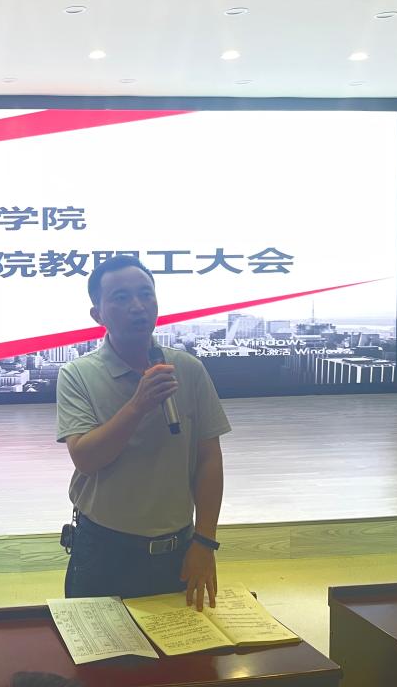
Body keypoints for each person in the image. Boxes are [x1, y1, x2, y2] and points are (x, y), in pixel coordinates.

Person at [57, 255, 230, 610]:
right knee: (101, 646)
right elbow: (86, 458)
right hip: (104, 551)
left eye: (145, 294)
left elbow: (209, 460)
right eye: (121, 297)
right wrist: (138, 405)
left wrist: (205, 542)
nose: (137, 306)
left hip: (179, 550)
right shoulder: (77, 375)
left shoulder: (188, 369)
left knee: (183, 645)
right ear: (97, 314)